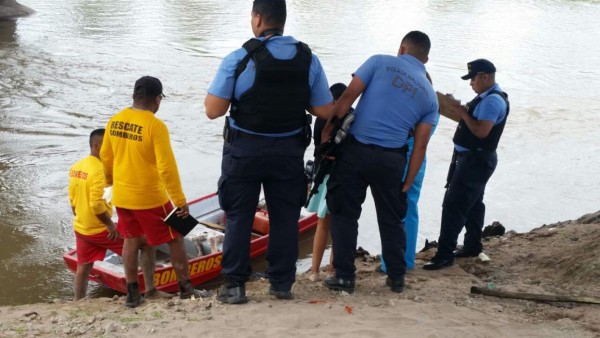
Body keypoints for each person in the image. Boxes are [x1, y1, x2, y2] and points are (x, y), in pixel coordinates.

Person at [204, 0, 333, 304]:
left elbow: (213, 110)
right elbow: (324, 109)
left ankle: (235, 286)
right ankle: (281, 284)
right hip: (287, 152)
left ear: (258, 18)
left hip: (244, 151)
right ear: (283, 21)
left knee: (238, 216)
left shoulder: (240, 57)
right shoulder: (307, 59)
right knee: (286, 217)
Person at [323, 31, 439, 294]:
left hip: (356, 152)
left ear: (402, 48)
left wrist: (327, 133)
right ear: (426, 59)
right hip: (391, 160)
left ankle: (344, 277)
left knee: (344, 214)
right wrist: (408, 180)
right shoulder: (430, 97)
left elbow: (346, 99)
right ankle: (396, 278)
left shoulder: (379, 62)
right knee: (392, 219)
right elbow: (420, 145)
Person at [101, 76, 208, 308]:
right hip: (150, 198)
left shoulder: (115, 121)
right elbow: (167, 168)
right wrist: (180, 201)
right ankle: (186, 290)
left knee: (130, 240)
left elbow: (106, 158)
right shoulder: (155, 126)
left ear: (134, 96)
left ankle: (133, 295)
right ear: (157, 100)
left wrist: (111, 182)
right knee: (176, 238)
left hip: (123, 196)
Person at [423, 59, 509, 270]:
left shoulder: (492, 101)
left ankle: (444, 254)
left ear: (485, 77)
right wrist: (458, 109)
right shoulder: (485, 97)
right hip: (473, 159)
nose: (471, 83)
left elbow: (481, 131)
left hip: (476, 160)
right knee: (473, 203)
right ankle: (472, 245)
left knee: (454, 205)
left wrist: (462, 113)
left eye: (473, 78)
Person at [380, 73, 438, 272]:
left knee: (395, 211)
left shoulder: (416, 107)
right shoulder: (433, 107)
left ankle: (392, 264)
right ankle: (406, 260)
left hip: (405, 158)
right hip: (419, 161)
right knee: (410, 210)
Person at [69, 128, 124, 301]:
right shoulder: (100, 169)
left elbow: (72, 200)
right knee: (138, 247)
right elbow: (96, 204)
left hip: (81, 226)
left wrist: (81, 217)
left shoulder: (77, 166)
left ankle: (78, 301)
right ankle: (139, 290)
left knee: (83, 266)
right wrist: (110, 225)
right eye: (108, 146)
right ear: (97, 145)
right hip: (100, 229)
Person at [306, 83, 347, 282]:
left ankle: (318, 270)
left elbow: (317, 149)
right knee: (334, 223)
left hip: (327, 177)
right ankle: (327, 270)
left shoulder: (323, 119)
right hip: (336, 176)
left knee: (325, 223)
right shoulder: (349, 118)